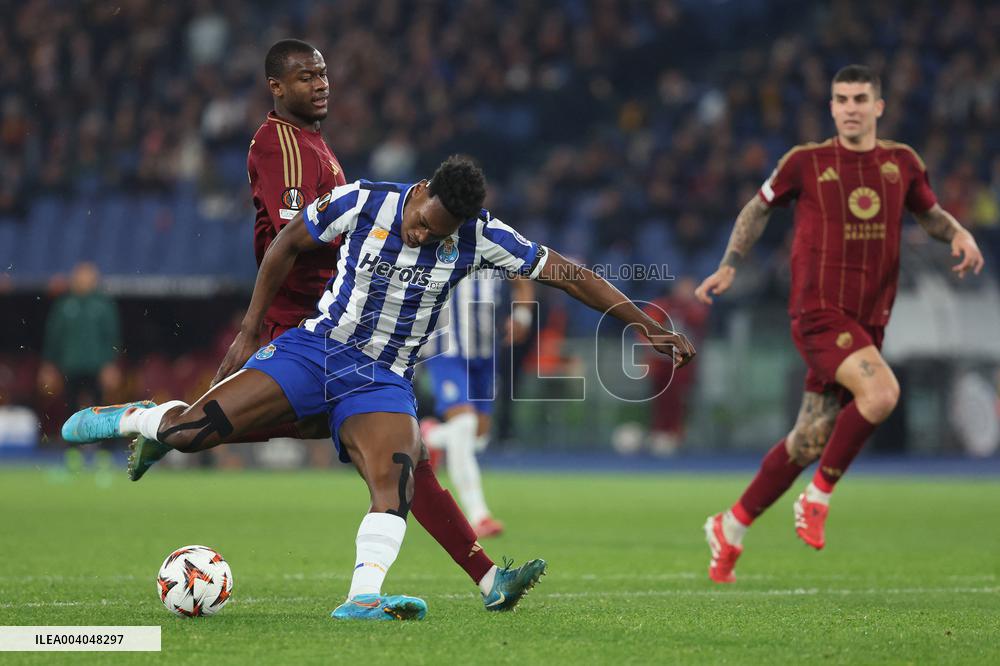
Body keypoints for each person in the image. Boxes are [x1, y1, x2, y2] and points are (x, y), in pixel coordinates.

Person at [63, 155, 695, 619]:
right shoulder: (364, 199)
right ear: (419, 193)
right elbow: (286, 242)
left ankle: (363, 597)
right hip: (314, 351)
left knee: (397, 476)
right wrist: (251, 328)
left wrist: (643, 322)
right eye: (424, 224)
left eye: (439, 235)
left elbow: (571, 274)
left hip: (382, 378)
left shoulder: (479, 236)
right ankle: (145, 420)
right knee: (193, 435)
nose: (425, 236)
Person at [128, 40, 528, 608]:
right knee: (374, 443)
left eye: (323, 73)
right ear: (277, 87)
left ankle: (487, 580)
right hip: (313, 319)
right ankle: (165, 425)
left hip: (341, 322)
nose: (321, 83)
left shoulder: (314, 143)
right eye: (306, 76)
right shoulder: (283, 145)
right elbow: (297, 234)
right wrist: (376, 223)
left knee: (405, 456)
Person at [694, 65, 984, 583]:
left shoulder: (903, 164)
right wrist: (730, 263)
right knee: (882, 394)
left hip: (870, 320)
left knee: (807, 440)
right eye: (841, 98)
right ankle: (817, 497)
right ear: (831, 107)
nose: (850, 106)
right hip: (818, 312)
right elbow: (756, 210)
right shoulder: (805, 162)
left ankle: (730, 526)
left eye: (859, 98)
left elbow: (931, 215)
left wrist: (960, 233)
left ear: (879, 106)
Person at [419, 274, 535, 537]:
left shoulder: (494, 240)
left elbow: (522, 276)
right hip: (444, 348)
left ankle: (431, 436)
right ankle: (479, 516)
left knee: (478, 436)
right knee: (464, 424)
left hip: (485, 351)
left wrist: (522, 316)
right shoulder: (436, 237)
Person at [40, 262, 121, 416]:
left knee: (100, 408)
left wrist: (111, 364)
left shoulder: (103, 305)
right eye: (81, 276)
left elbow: (112, 337)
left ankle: (98, 440)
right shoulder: (63, 304)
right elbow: (54, 336)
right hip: (70, 366)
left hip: (96, 367)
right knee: (70, 407)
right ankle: (72, 439)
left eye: (88, 276)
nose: (84, 280)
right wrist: (49, 365)